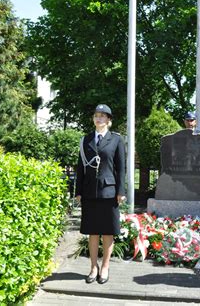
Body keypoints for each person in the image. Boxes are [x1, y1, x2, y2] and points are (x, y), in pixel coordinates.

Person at [75, 104, 126, 284]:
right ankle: (92, 267)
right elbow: (80, 167)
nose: (99, 119)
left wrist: (121, 191)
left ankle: (105, 267)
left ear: (109, 120)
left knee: (107, 232)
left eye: (103, 116)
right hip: (89, 192)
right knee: (92, 232)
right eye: (96, 116)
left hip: (109, 192)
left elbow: (121, 168)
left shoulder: (116, 140)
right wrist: (78, 191)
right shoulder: (86, 140)